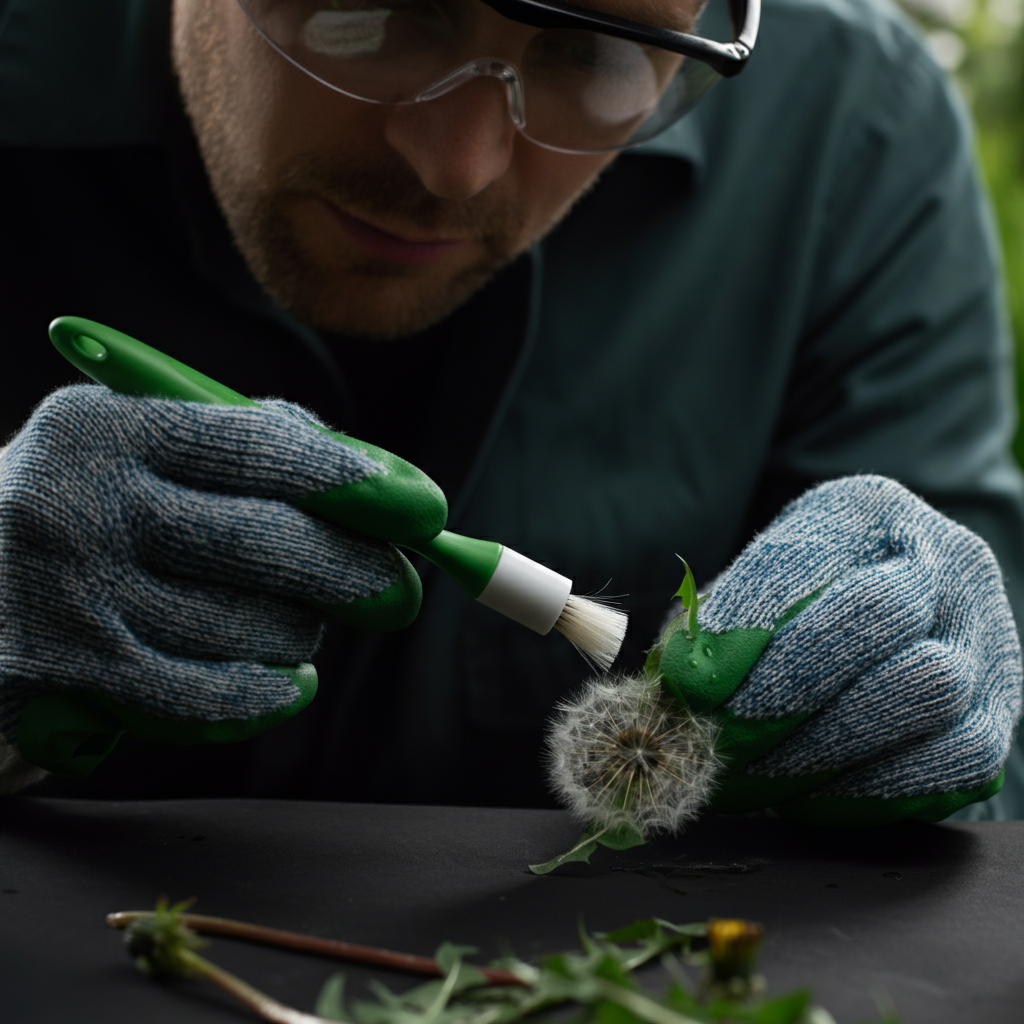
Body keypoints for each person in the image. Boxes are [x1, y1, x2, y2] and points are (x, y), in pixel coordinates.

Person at [0, 0, 1022, 820]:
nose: (457, 163)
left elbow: (986, 787)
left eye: (592, 52)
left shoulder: (850, 128)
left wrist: (934, 701)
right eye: (380, 13)